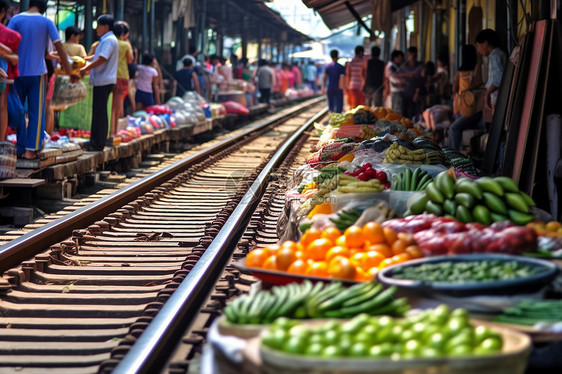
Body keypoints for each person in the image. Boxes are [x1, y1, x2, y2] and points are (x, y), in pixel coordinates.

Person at [8, 0, 74, 159]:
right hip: (37, 74)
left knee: (19, 111)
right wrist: (71, 71)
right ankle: (31, 150)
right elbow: (59, 48)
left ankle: (20, 148)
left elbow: (7, 42)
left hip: (16, 73)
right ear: (44, 9)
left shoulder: (15, 20)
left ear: (29, 4)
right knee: (36, 112)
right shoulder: (46, 22)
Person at [448, 31, 506, 151]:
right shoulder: (498, 55)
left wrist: (486, 97)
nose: (479, 51)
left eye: (479, 46)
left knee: (455, 128)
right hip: (488, 105)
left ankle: (454, 154)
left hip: (489, 105)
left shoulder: (495, 56)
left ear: (485, 43)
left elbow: (498, 81)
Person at [79, 14, 118, 151]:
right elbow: (96, 57)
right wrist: (83, 59)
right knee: (98, 111)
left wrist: (85, 68)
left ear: (105, 26)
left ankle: (98, 142)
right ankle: (95, 141)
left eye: (98, 26)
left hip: (104, 79)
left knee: (100, 112)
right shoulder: (107, 40)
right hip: (103, 79)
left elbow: (102, 59)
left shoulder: (108, 40)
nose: (96, 29)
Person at [0, 0, 20, 141]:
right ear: (3, 13)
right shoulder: (11, 35)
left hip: (3, 74)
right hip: (4, 74)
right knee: (2, 106)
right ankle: (1, 142)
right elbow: (15, 59)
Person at [110, 21, 133, 137]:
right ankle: (114, 132)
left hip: (109, 75)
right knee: (117, 106)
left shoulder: (109, 42)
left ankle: (110, 131)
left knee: (110, 105)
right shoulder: (125, 44)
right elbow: (130, 60)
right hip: (122, 75)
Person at [401, 46, 423, 119]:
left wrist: (417, 93)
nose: (408, 57)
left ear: (414, 55)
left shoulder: (420, 66)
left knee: (413, 112)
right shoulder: (405, 65)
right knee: (404, 112)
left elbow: (420, 80)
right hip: (405, 92)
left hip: (415, 92)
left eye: (409, 55)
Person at [385, 50, 405, 114]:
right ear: (395, 58)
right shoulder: (391, 66)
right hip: (396, 90)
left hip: (397, 90)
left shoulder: (396, 66)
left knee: (396, 109)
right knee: (397, 109)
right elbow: (392, 77)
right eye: (400, 58)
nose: (401, 60)